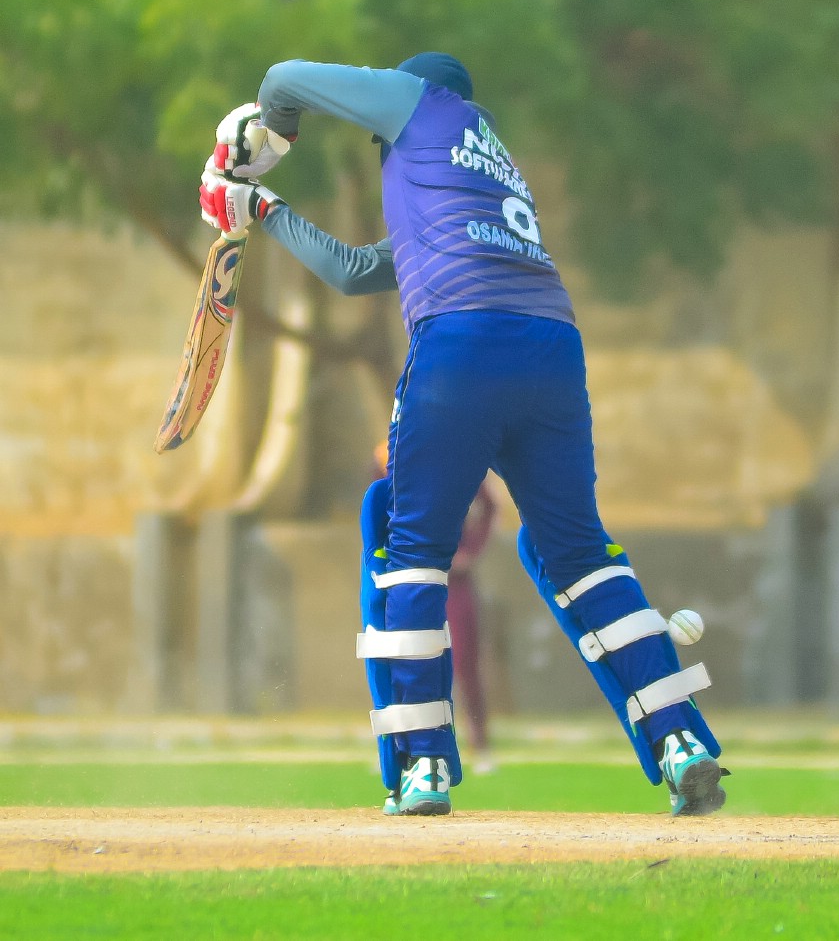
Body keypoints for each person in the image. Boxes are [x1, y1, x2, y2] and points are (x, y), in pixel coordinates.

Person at [198, 53, 726, 817]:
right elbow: (354, 271)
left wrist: (260, 143)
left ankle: (422, 768)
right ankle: (680, 742)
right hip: (552, 352)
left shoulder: (418, 101)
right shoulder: (486, 177)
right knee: (579, 554)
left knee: (408, 547)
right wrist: (260, 208)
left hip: (462, 348)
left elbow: (281, 79)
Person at [373, 443, 497, 774]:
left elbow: (488, 505)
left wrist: (470, 551)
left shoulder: (454, 448)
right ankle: (400, 744)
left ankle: (478, 739)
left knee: (464, 657)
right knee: (401, 656)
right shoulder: (389, 451)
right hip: (407, 572)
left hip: (450, 575)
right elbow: (377, 505)